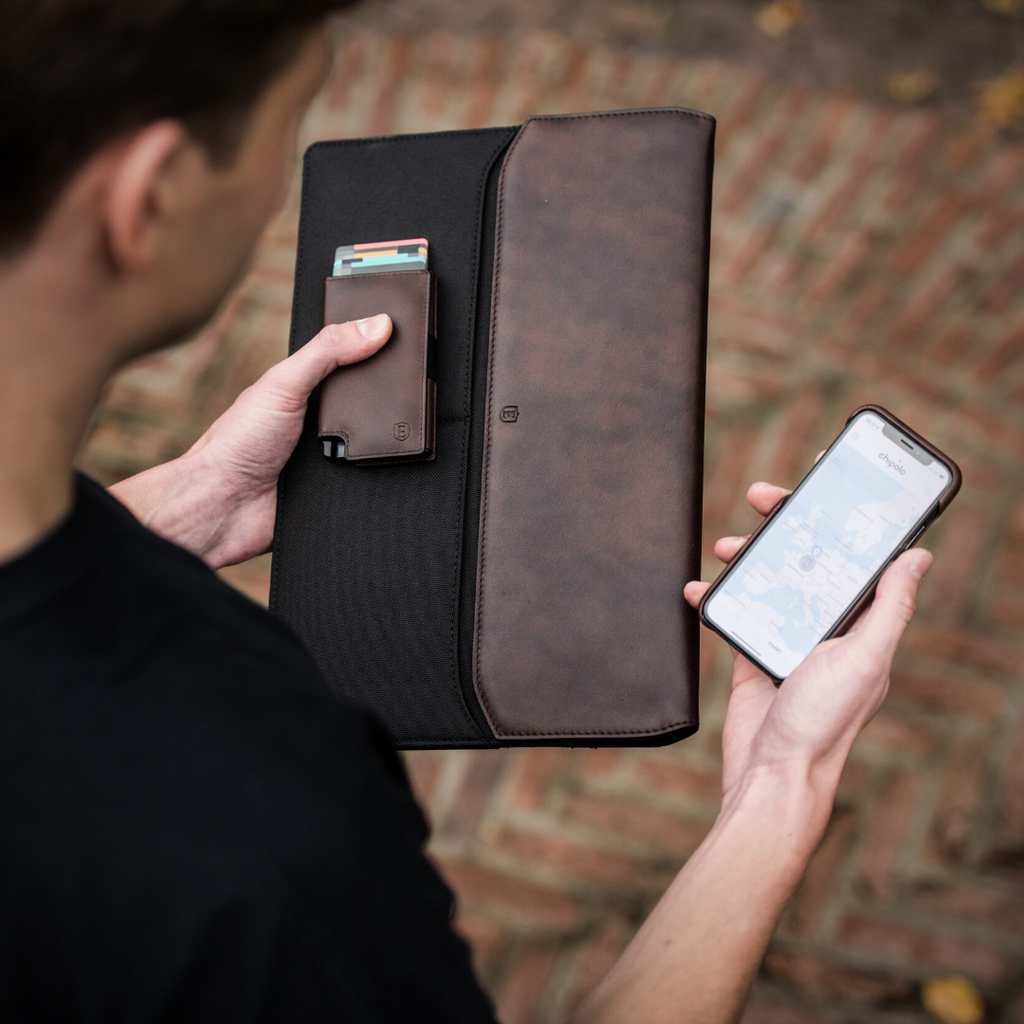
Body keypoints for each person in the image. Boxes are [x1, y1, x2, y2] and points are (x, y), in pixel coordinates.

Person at [0, 2, 934, 1021]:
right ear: (150, 196)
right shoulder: (258, 834)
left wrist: (175, 514)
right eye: (289, 124)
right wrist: (780, 784)